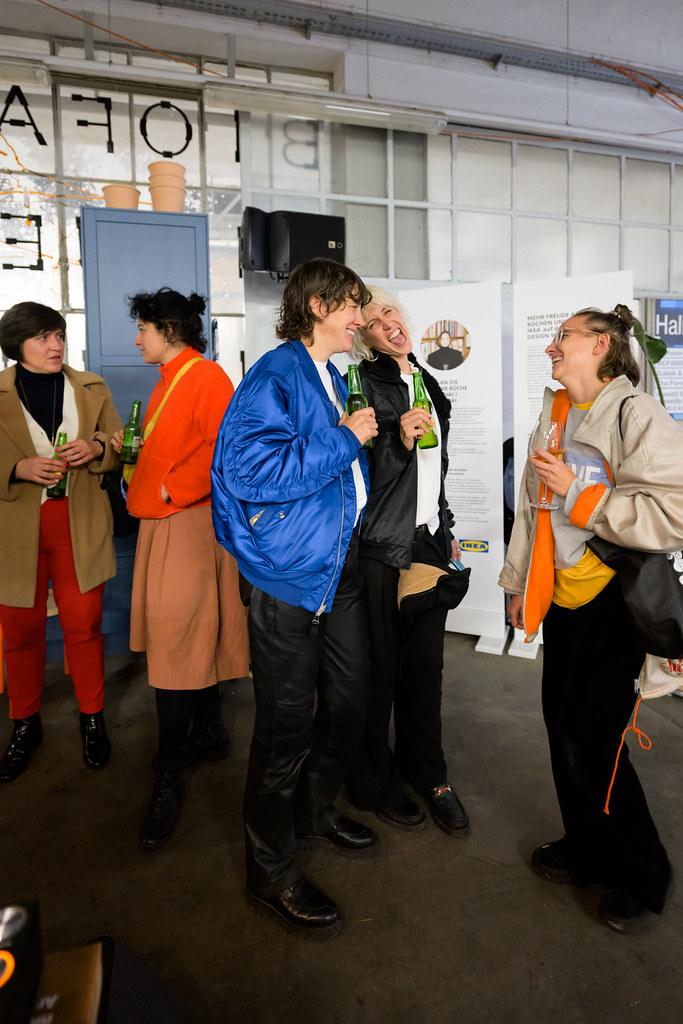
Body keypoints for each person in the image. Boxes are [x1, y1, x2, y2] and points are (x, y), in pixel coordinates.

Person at [500, 304, 683, 933]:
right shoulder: (555, 412)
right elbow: (531, 509)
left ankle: (645, 876)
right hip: (562, 599)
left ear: (602, 344)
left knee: (597, 740)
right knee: (562, 726)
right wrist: (517, 582)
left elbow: (675, 510)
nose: (551, 346)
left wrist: (582, 496)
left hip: (613, 604)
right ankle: (586, 848)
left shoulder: (636, 414)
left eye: (564, 336)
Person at [211, 258, 378, 939]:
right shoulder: (274, 375)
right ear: (316, 305)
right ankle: (270, 870)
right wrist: (345, 438)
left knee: (348, 701)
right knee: (285, 729)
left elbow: (333, 474)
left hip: (337, 569)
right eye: (351, 305)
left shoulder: (330, 373)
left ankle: (312, 811)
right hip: (289, 579)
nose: (360, 317)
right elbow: (252, 473)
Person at [112, 288, 248, 852]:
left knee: (175, 643)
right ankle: (210, 731)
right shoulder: (171, 377)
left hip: (187, 523)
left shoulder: (206, 376)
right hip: (169, 521)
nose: (136, 339)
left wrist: (169, 488)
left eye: (142, 329)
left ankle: (168, 771)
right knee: (189, 635)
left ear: (168, 330)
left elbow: (227, 449)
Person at [345, 288, 470, 837]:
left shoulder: (425, 378)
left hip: (427, 544)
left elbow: (435, 468)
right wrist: (395, 440)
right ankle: (375, 782)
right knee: (380, 671)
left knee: (426, 671)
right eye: (375, 320)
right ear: (365, 338)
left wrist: (446, 527)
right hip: (380, 546)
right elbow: (359, 472)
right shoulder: (362, 384)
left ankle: (431, 776)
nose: (389, 323)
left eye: (391, 312)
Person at [0, 301, 122, 781]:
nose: (55, 346)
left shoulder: (91, 386)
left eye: (59, 335)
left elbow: (118, 442)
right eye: (43, 338)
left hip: (79, 522)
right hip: (14, 530)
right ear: (17, 345)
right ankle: (25, 724)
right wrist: (16, 468)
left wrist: (95, 447)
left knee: (84, 624)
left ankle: (93, 719)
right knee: (20, 632)